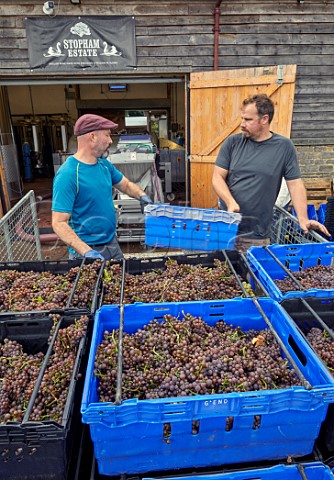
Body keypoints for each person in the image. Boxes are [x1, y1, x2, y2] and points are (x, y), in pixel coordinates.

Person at [212, 94, 329, 253]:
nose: (242, 124)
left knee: (252, 275)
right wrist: (230, 202)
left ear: (264, 119)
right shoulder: (232, 143)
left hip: (257, 234)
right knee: (223, 273)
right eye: (242, 119)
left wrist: (302, 218)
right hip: (227, 229)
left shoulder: (284, 147)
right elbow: (217, 177)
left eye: (248, 120)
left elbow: (295, 184)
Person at [52, 113, 153, 261]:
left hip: (111, 243)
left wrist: (142, 196)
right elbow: (59, 223)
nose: (110, 141)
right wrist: (86, 252)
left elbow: (125, 184)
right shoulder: (68, 174)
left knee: (121, 281)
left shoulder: (104, 165)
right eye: (107, 135)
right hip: (86, 250)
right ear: (92, 137)